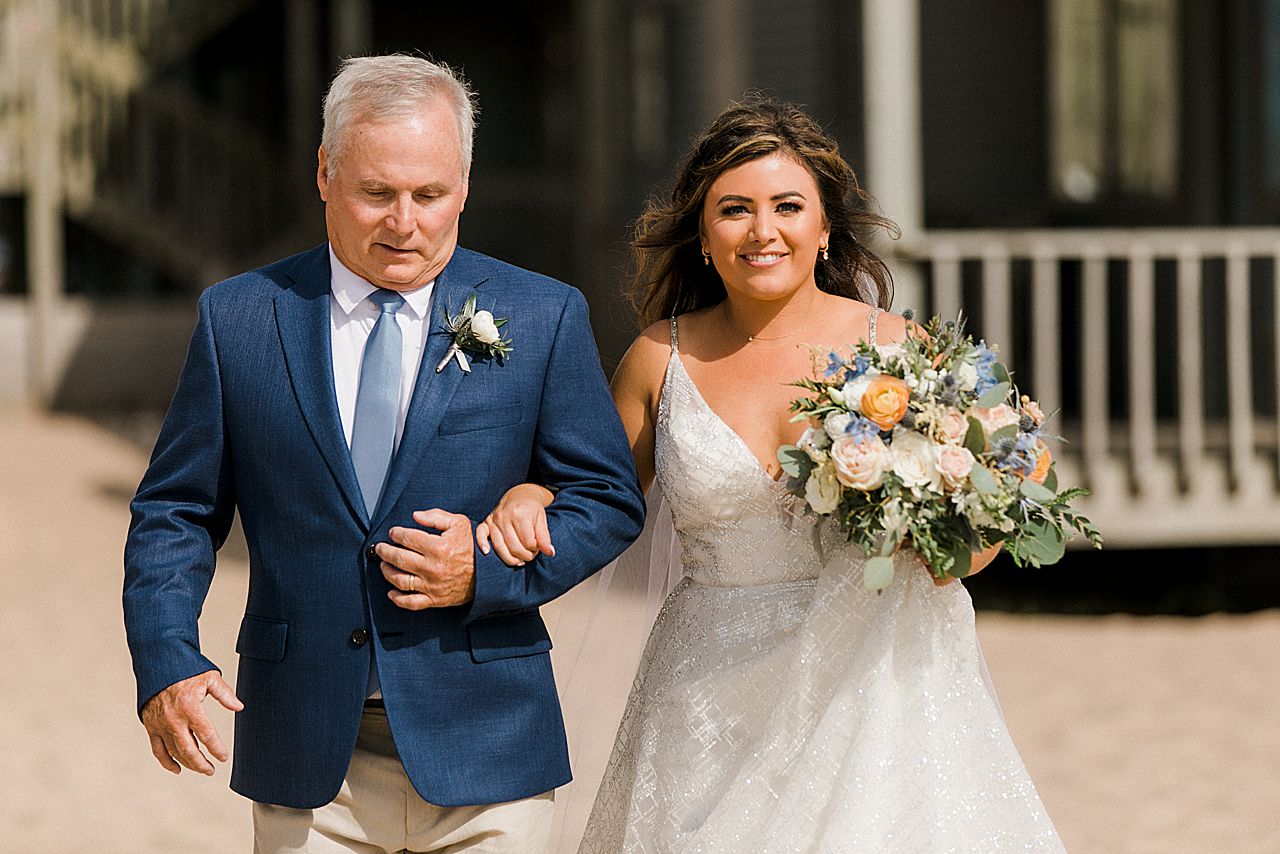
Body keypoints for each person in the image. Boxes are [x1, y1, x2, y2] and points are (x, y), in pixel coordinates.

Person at [480, 98, 1066, 852]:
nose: (763, 231)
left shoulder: (904, 352)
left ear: (824, 229)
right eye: (734, 210)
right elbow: (592, 495)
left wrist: (941, 529)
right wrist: (530, 492)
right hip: (707, 696)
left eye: (788, 206)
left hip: (876, 685)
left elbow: (971, 554)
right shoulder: (661, 359)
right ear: (701, 234)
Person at [122, 54, 645, 853]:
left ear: (464, 183)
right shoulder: (238, 320)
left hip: (489, 745)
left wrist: (490, 571)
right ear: (325, 174)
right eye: (377, 193)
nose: (405, 222)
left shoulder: (543, 316)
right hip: (306, 752)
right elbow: (176, 511)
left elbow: (607, 501)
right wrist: (166, 658)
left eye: (430, 195)